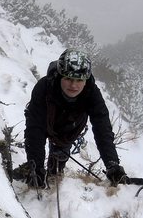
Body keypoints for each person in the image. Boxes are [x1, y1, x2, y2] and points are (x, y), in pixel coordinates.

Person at [14, 48, 127, 188]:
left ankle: (53, 177)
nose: (73, 85)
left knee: (58, 162)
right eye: (68, 78)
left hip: (68, 131)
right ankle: (33, 169)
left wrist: (112, 163)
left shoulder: (91, 93)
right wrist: (35, 166)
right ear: (60, 76)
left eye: (79, 80)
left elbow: (102, 126)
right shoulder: (44, 87)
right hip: (45, 123)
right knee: (36, 159)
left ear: (85, 80)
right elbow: (35, 128)